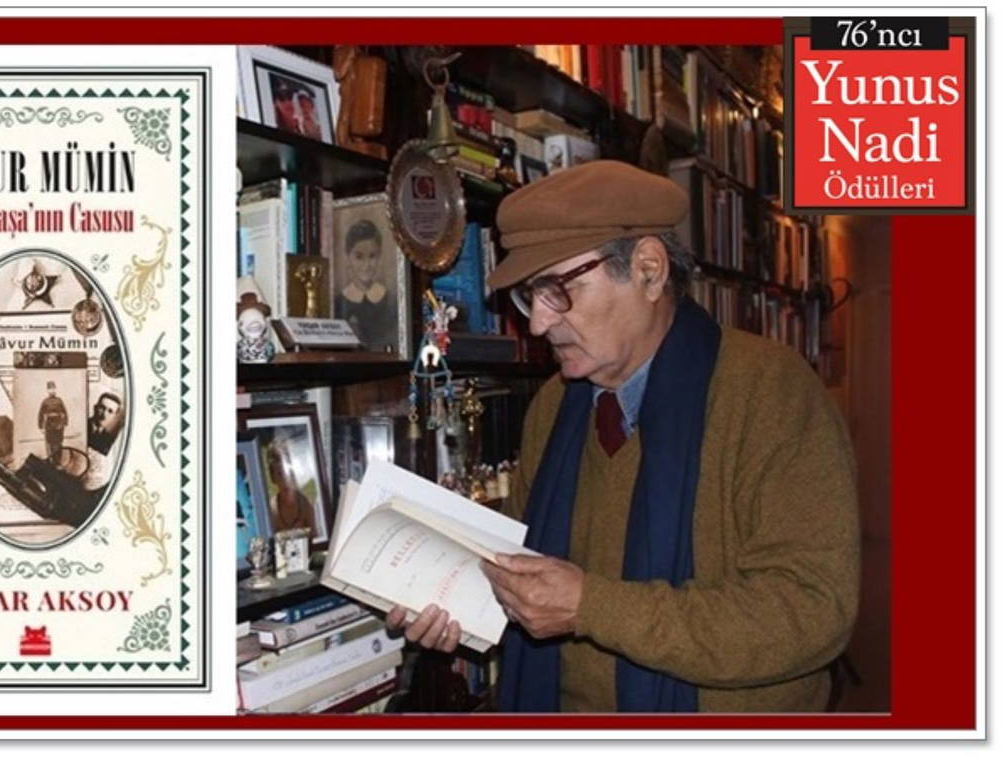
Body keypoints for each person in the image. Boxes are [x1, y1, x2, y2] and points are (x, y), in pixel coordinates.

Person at [387, 160, 860, 713]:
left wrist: (591, 607)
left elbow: (812, 612)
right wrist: (454, 603)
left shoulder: (770, 392)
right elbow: (526, 579)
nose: (537, 323)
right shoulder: (552, 407)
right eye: (529, 296)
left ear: (649, 271)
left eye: (558, 289)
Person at [335, 219, 394, 351]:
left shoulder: (390, 300)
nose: (366, 265)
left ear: (379, 256)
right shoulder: (338, 303)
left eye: (372, 256)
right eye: (359, 257)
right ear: (348, 257)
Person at [265, 438, 316, 533]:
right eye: (280, 474)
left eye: (289, 473)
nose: (286, 481)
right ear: (273, 478)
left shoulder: (306, 506)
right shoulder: (271, 509)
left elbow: (315, 535)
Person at [37, 380, 68, 463]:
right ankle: (52, 462)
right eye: (50, 389)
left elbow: (65, 412)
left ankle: (58, 461)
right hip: (49, 425)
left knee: (58, 443)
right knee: (50, 443)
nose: (52, 391)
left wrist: (65, 423)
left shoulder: (59, 400)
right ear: (47, 390)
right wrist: (40, 427)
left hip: (59, 424)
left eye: (53, 388)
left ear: (55, 389)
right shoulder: (45, 401)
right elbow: (40, 414)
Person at [87, 391, 124, 455]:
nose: (104, 415)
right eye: (102, 408)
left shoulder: (109, 440)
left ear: (114, 416)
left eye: (110, 411)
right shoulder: (82, 426)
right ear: (95, 408)